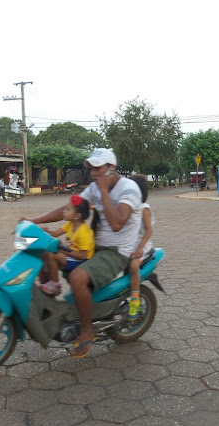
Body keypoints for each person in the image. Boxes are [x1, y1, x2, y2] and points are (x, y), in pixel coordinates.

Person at [23, 148, 142, 358]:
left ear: (111, 169)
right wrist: (33, 221)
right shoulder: (94, 188)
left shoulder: (129, 189)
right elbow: (68, 210)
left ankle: (87, 330)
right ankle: (50, 305)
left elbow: (116, 224)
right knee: (46, 251)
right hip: (93, 247)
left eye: (98, 168)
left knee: (78, 277)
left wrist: (104, 192)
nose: (94, 173)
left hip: (117, 251)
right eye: (91, 168)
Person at [38, 194, 95, 296]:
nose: (63, 211)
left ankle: (55, 286)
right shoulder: (71, 224)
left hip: (80, 262)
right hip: (70, 255)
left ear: (77, 216)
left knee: (50, 254)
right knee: (42, 253)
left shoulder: (83, 232)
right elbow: (55, 234)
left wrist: (62, 250)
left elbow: (83, 255)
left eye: (68, 209)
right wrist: (43, 231)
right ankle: (46, 285)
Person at [127, 175, 153, 321]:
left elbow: (149, 230)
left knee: (133, 266)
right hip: (128, 244)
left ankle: (135, 298)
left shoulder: (144, 208)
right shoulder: (127, 206)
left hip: (140, 247)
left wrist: (141, 247)